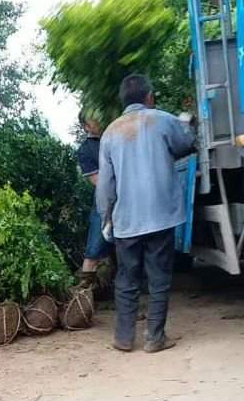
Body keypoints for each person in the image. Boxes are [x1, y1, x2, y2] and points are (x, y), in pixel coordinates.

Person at [96, 74, 195, 353]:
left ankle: (124, 338)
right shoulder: (162, 120)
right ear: (149, 97)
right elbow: (186, 143)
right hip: (160, 215)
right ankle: (154, 337)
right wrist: (188, 122)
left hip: (127, 221)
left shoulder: (111, 133)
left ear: (122, 102)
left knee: (127, 278)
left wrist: (106, 216)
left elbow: (105, 184)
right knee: (159, 276)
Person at [76, 109, 113, 289]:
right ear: (86, 126)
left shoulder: (115, 137)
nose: (98, 119)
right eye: (93, 118)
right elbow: (97, 182)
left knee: (127, 250)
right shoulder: (85, 151)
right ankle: (83, 297)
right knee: (93, 251)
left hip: (127, 202)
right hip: (104, 205)